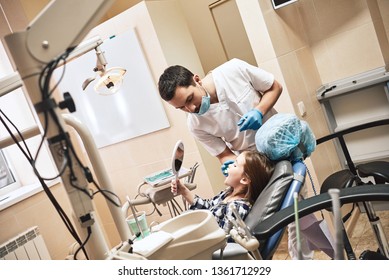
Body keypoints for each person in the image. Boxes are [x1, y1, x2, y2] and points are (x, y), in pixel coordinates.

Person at [158, 58, 282, 176]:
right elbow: (224, 154)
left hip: (280, 141)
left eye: (190, 99)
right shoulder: (195, 125)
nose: (191, 109)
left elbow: (275, 87)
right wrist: (231, 164)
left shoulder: (233, 69)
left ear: (197, 80)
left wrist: (259, 111)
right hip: (254, 164)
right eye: (181, 108)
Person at [170, 150, 274, 237]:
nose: (228, 167)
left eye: (234, 164)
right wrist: (183, 190)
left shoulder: (236, 208)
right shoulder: (228, 193)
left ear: (244, 179)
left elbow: (221, 239)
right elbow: (208, 206)